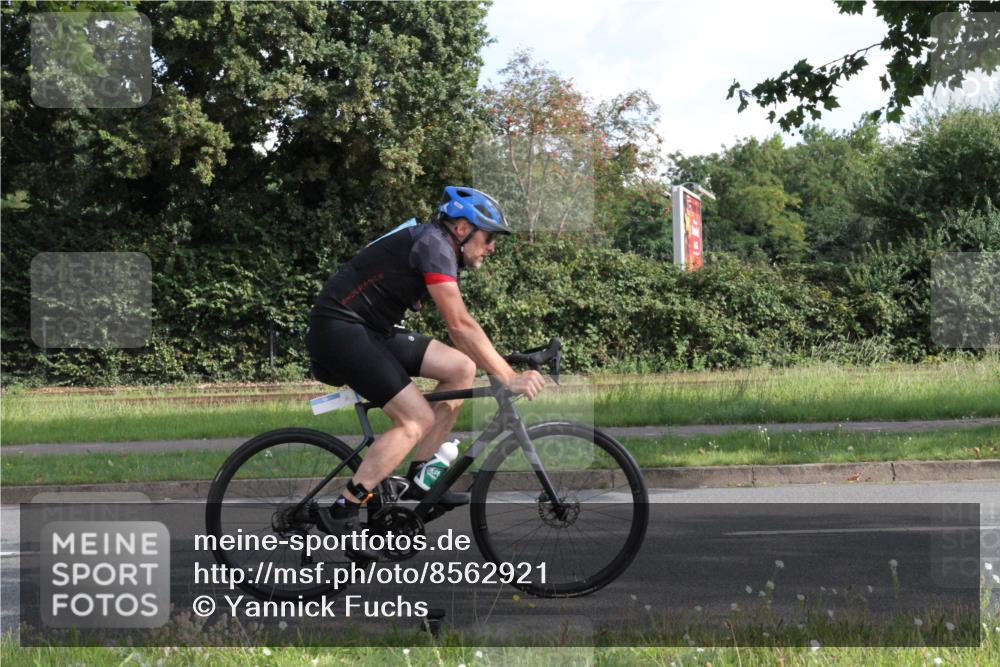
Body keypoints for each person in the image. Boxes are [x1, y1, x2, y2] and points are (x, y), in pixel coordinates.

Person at [306, 186, 546, 544]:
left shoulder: (440, 247)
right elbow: (459, 325)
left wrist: (497, 363)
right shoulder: (434, 245)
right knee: (416, 418)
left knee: (461, 368)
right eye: (490, 237)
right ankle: (343, 508)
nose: (492, 247)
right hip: (340, 330)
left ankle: (420, 480)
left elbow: (465, 333)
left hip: (373, 330)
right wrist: (507, 376)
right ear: (463, 229)